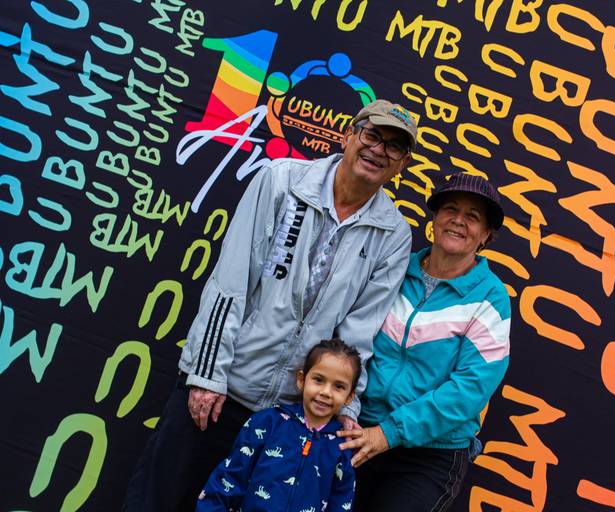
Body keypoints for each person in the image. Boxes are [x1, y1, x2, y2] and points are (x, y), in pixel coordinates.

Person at [122, 99, 417, 511]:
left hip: (289, 416)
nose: (378, 150)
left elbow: (358, 335)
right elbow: (231, 281)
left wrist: (345, 405)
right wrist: (208, 375)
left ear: (402, 164)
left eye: (394, 146)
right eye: (372, 136)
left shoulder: (393, 234)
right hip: (224, 385)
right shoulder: (282, 180)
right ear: (349, 135)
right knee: (159, 498)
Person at [338, 173, 512, 512]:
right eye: (451, 209)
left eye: (473, 216)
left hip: (431, 454)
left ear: (485, 235)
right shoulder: (395, 267)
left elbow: (469, 389)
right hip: (358, 425)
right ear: (435, 217)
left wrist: (389, 433)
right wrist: (347, 407)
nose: (458, 220)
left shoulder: (491, 298)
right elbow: (351, 335)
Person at [196, 338, 359, 512]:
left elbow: (341, 504)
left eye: (338, 386)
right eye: (319, 380)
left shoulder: (342, 448)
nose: (326, 392)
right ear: (302, 380)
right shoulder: (267, 422)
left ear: (349, 397)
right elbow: (229, 479)